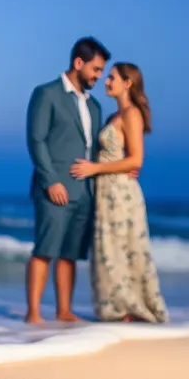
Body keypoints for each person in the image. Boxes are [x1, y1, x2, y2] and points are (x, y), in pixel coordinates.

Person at [70, 62, 169, 323]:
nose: (106, 81)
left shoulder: (131, 114)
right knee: (109, 250)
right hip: (106, 193)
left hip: (121, 193)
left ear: (128, 83)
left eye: (112, 77)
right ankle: (118, 308)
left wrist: (95, 168)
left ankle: (131, 309)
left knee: (125, 248)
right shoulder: (113, 116)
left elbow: (136, 160)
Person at [23, 37, 108, 324]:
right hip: (54, 189)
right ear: (78, 63)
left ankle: (64, 310)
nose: (99, 76)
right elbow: (36, 140)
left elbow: (96, 148)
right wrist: (50, 181)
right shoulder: (46, 94)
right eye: (96, 69)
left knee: (70, 254)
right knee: (45, 249)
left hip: (85, 192)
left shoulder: (94, 106)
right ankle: (33, 313)